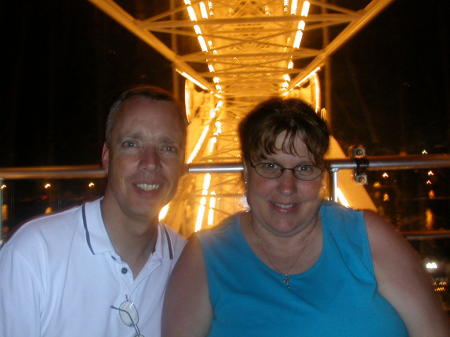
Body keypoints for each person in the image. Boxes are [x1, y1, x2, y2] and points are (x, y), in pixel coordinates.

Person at [162, 97, 449, 337]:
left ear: (322, 176)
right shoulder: (206, 256)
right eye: (270, 165)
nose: (287, 186)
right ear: (246, 172)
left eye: (304, 168)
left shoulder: (368, 237)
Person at [0, 85, 187, 337]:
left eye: (167, 148)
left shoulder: (189, 265)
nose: (150, 162)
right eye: (132, 144)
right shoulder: (35, 254)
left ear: (182, 165)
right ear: (107, 158)